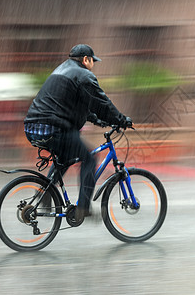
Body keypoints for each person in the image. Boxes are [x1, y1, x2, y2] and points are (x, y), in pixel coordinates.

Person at [24, 44, 131, 223]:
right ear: (85, 60)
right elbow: (101, 101)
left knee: (65, 156)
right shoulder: (84, 75)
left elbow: (78, 107)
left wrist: (98, 120)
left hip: (33, 128)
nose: (93, 65)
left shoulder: (61, 70)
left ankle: (44, 192)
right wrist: (120, 119)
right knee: (89, 159)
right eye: (92, 61)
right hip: (53, 128)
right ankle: (83, 208)